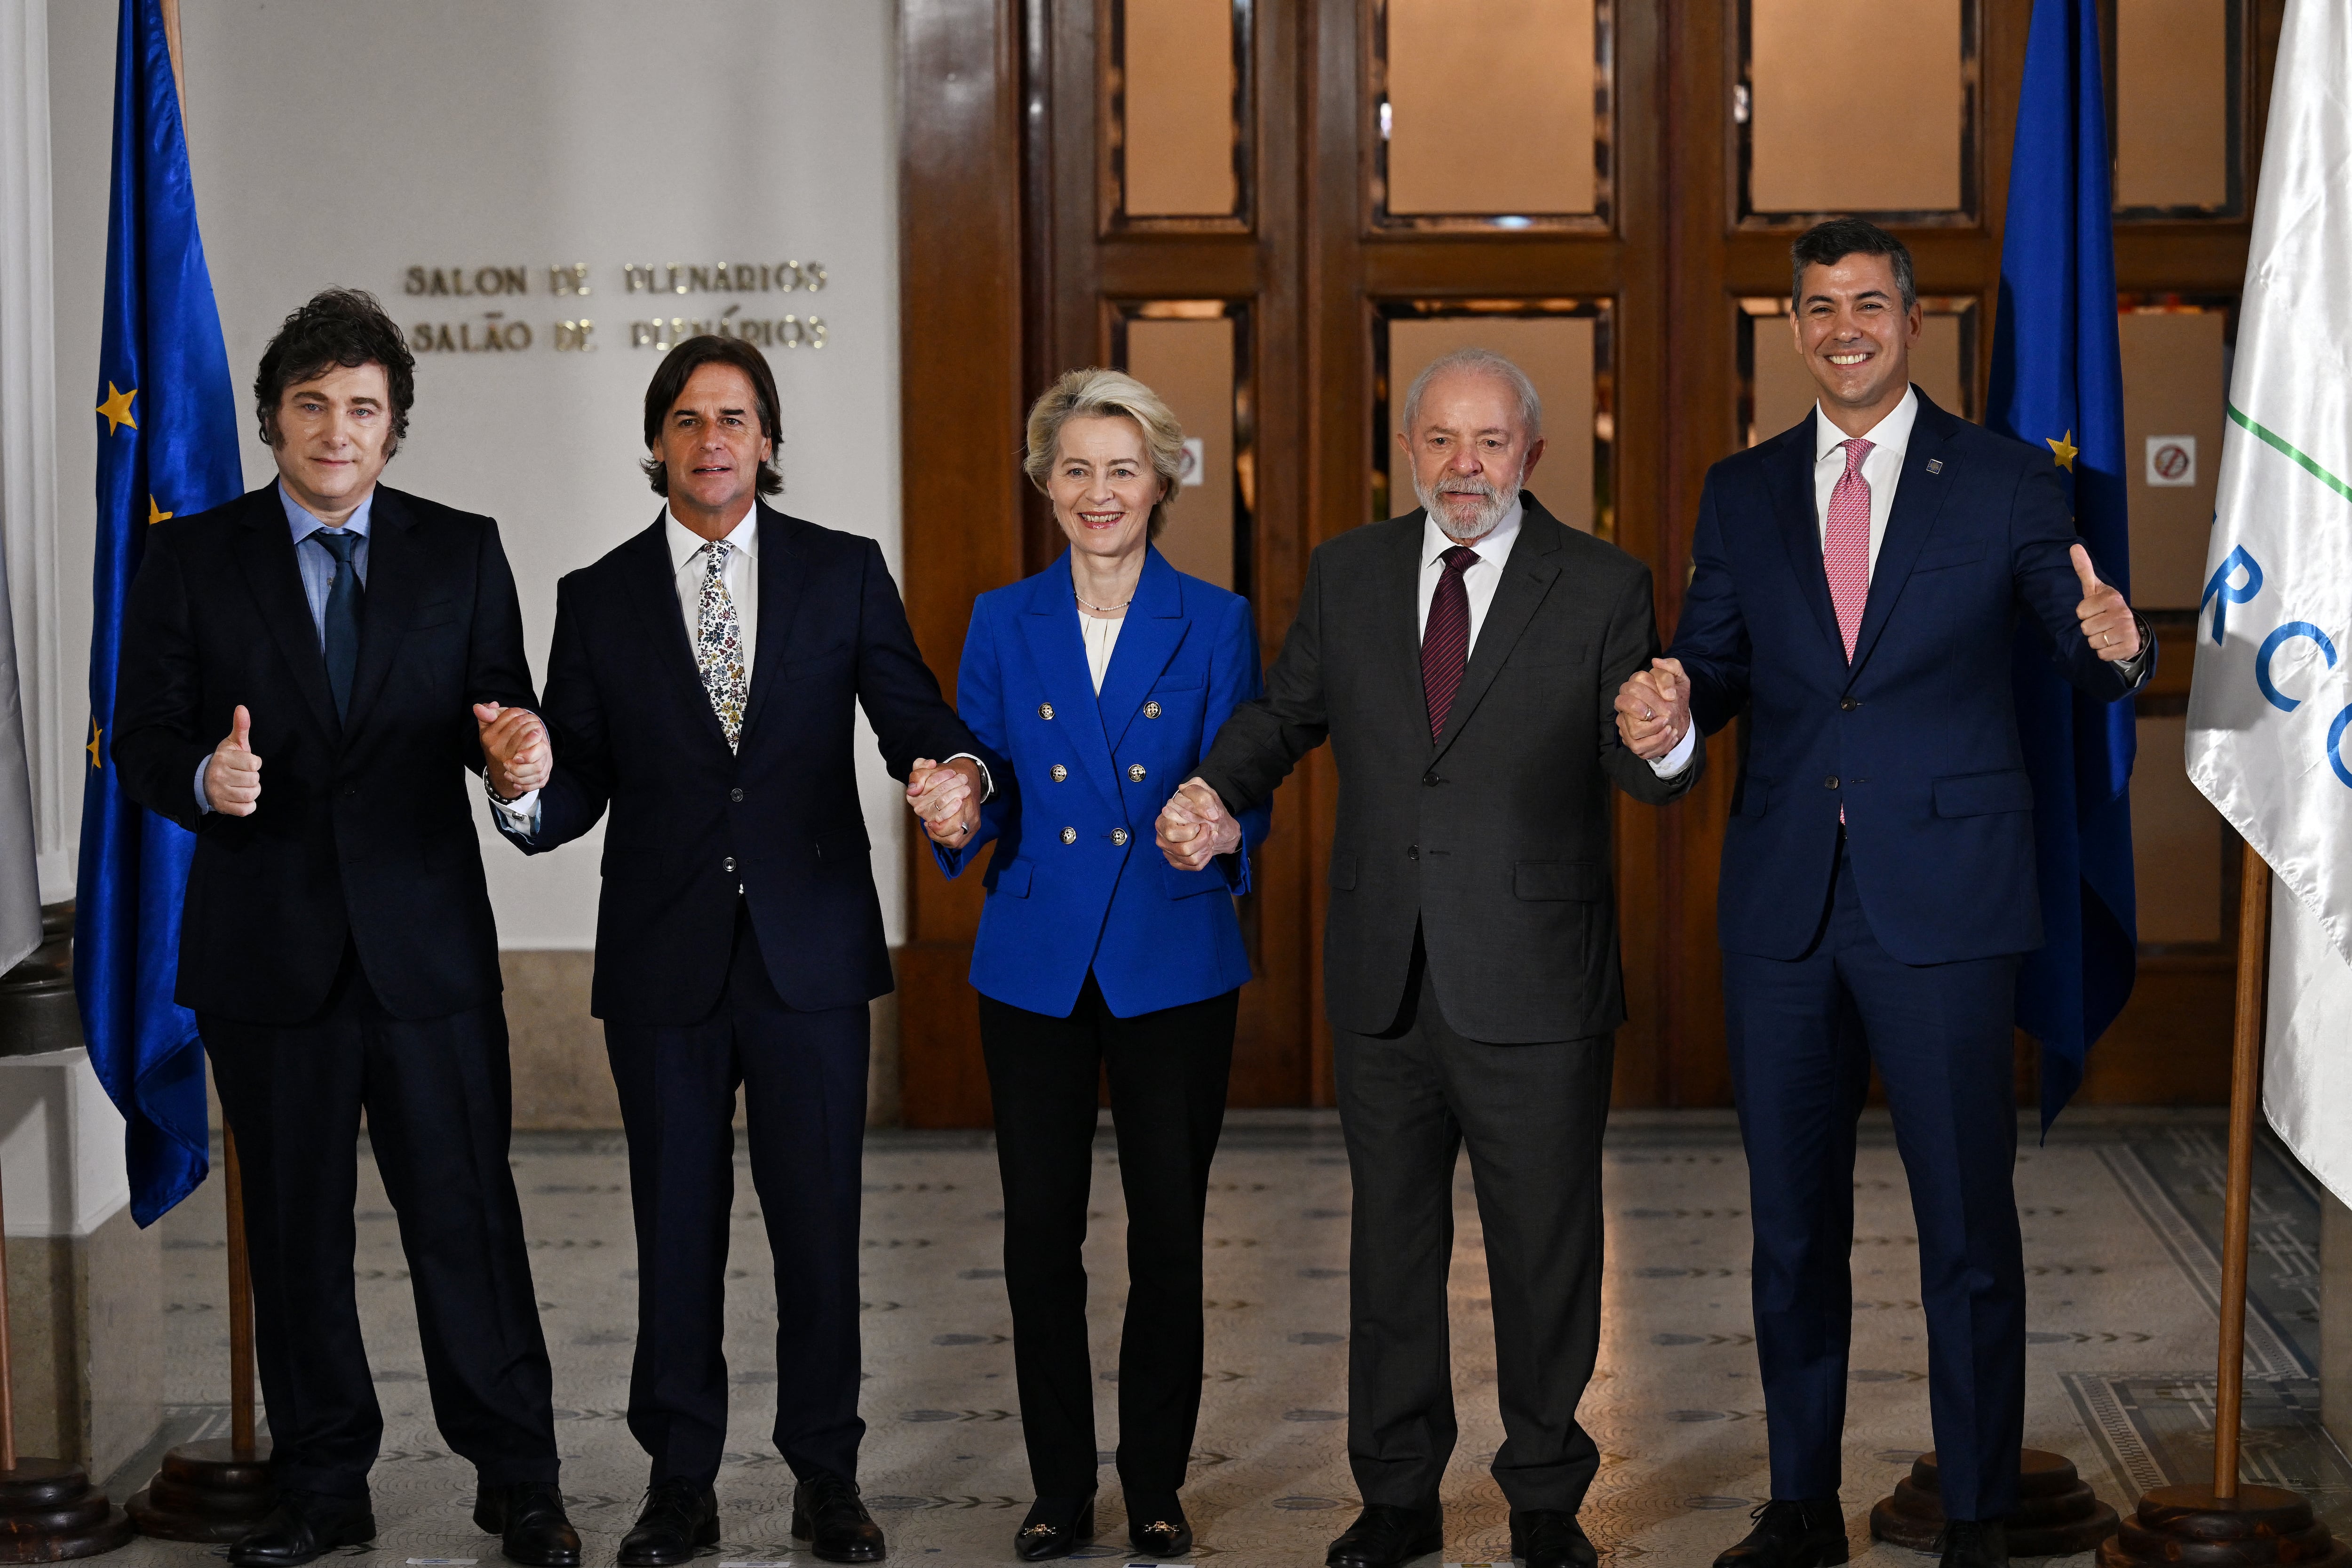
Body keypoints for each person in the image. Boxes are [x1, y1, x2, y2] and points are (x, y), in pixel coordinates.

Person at [1624, 218, 2153, 1568]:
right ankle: (1801, 1503)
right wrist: (1674, 709)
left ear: (1914, 321)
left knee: (1965, 1224)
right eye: (1819, 306)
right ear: (1794, 327)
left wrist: (2117, 647)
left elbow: (2075, 635)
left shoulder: (2005, 478)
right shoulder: (1742, 489)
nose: (1843, 328)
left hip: (1949, 900)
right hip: (1785, 905)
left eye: (1868, 303)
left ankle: (1976, 1510)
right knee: (1791, 1227)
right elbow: (1712, 665)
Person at [1156, 348, 1703, 1568]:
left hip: (1538, 978)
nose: (1465, 465)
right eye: (1442, 439)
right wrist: (1214, 788)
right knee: (1391, 1249)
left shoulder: (1602, 582)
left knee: (1546, 1248)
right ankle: (1396, 1493)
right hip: (1384, 973)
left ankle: (1546, 1497)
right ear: (1408, 449)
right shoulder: (1349, 571)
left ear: (1533, 455)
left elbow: (1643, 764)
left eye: (1491, 442)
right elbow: (1285, 713)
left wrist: (1666, 737)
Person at [487, 335, 999, 1567]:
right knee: (675, 1229)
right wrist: (523, 784)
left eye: (734, 417)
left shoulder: (842, 569)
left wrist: (958, 776)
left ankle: (828, 1477)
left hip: (809, 953)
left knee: (820, 1228)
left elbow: (916, 718)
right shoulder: (598, 595)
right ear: (657, 442)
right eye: (687, 418)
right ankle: (680, 1485)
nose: (711, 438)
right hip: (661, 962)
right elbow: (577, 783)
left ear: (768, 440)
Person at [110, 289, 577, 1568]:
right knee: (297, 1236)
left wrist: (518, 758)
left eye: (362, 407)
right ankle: (323, 1487)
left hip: (426, 954)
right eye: (310, 403)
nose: (335, 429)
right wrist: (203, 777)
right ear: (272, 420)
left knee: (468, 1223)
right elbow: (142, 738)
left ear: (393, 427)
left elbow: (504, 718)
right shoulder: (193, 558)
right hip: (268, 959)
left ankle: (522, 1482)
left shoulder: (462, 550)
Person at [907, 370, 1269, 1562]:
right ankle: (1059, 1485)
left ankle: (1155, 1483)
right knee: (1038, 1238)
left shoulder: (1215, 618)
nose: (1098, 491)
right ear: (1045, 483)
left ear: (1162, 481)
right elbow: (984, 766)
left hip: (1172, 953)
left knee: (1168, 1234)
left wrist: (1224, 825)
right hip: (1038, 957)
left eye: (1122, 468)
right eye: (1075, 468)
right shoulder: (1000, 617)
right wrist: (958, 801)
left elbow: (1241, 773)